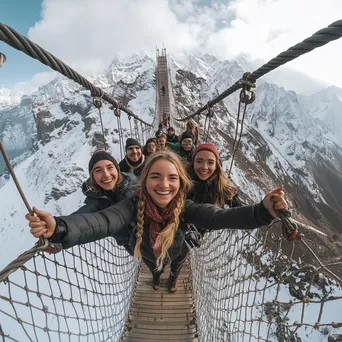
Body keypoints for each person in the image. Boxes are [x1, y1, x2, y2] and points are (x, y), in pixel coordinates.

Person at [27, 151, 287, 293]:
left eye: (172, 178)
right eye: (155, 177)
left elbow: (217, 217)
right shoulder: (131, 205)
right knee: (154, 268)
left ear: (181, 182)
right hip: (148, 252)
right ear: (144, 181)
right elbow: (103, 220)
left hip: (177, 249)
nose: (164, 185)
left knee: (175, 267)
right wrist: (60, 227)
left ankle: (172, 278)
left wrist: (261, 212)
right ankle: (157, 276)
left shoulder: (186, 206)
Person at [74, 149, 138, 255]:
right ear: (92, 176)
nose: (106, 174)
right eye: (98, 170)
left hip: (153, 237)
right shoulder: (96, 199)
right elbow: (81, 218)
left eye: (110, 167)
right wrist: (58, 230)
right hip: (130, 244)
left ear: (117, 169)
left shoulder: (133, 185)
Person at [187, 143, 243, 208]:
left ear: (216, 166)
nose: (204, 167)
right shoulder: (182, 184)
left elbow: (240, 210)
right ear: (193, 163)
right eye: (199, 161)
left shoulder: (222, 188)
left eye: (210, 162)